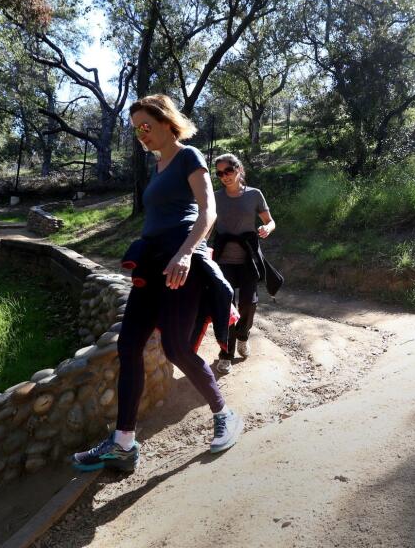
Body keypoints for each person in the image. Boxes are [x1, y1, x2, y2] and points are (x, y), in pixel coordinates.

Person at [73, 95, 244, 472]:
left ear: (167, 121)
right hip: (151, 262)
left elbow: (208, 211)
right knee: (129, 344)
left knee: (176, 348)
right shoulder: (157, 167)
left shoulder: (188, 156)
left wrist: (185, 253)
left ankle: (225, 413)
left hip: (181, 258)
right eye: (136, 130)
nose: (141, 135)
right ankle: (123, 443)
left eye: (146, 126)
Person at [212, 153, 282, 375]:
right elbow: (206, 225)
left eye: (228, 171)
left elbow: (270, 221)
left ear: (238, 170)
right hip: (223, 259)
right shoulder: (215, 197)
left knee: (249, 304)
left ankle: (243, 336)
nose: (224, 176)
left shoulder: (254, 195)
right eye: (220, 173)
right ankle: (226, 354)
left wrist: (267, 229)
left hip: (248, 257)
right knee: (226, 306)